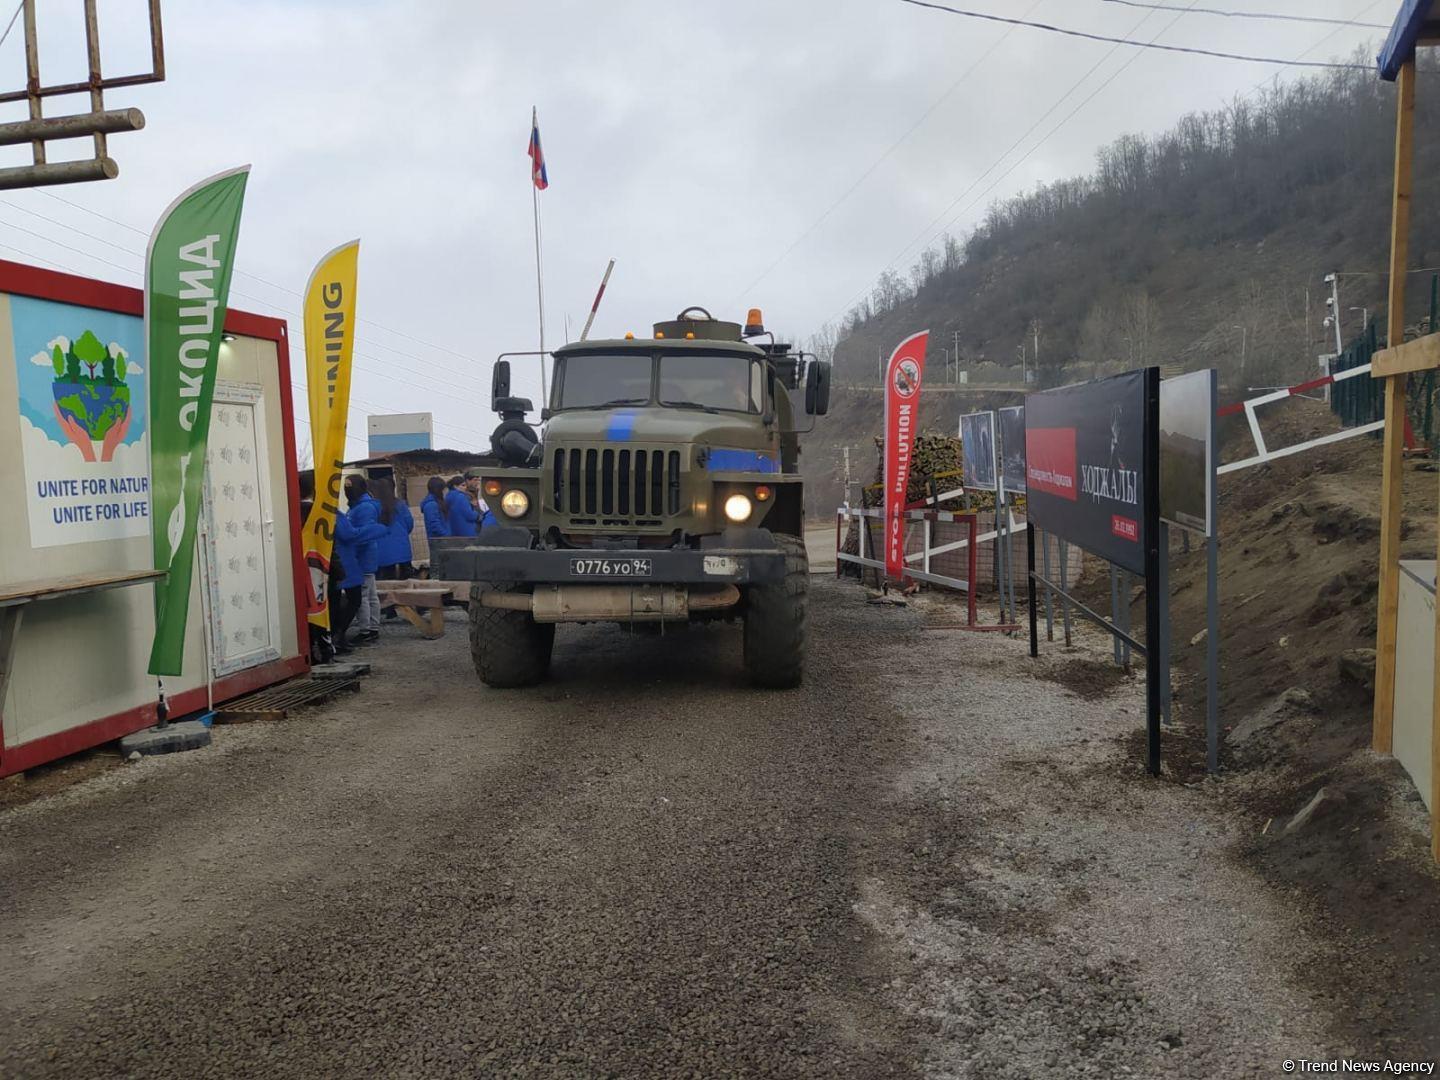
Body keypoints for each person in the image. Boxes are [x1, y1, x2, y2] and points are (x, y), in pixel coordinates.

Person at [343, 474, 385, 642]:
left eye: (349, 487)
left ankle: (366, 630)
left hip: (361, 557)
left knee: (364, 595)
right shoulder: (361, 506)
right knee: (371, 594)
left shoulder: (363, 508)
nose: (347, 491)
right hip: (366, 556)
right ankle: (373, 628)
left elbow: (364, 534)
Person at [374, 477, 415, 580]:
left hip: (382, 555)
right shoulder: (401, 505)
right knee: (407, 584)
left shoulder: (374, 507)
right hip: (403, 552)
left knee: (386, 584)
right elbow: (409, 524)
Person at [421, 475, 450, 542]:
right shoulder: (431, 505)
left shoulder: (437, 502)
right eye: (444, 489)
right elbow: (434, 525)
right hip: (439, 541)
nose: (446, 491)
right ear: (439, 490)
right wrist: (447, 536)